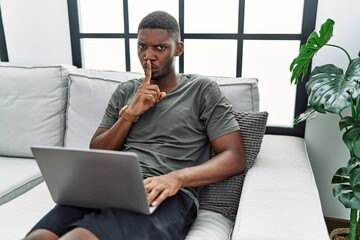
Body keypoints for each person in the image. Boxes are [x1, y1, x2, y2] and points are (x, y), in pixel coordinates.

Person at [25, 10, 245, 240]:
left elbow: (234, 156)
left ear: (178, 49)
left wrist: (177, 177)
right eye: (142, 47)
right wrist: (130, 114)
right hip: (111, 187)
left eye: (160, 48)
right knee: (39, 237)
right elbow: (98, 152)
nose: (148, 56)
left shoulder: (201, 90)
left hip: (168, 194)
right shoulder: (126, 91)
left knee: (81, 237)